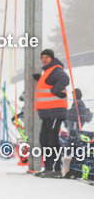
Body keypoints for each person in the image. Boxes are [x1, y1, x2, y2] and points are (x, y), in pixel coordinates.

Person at [34, 48, 70, 177]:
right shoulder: (48, 71)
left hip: (55, 111)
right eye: (42, 57)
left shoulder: (56, 69)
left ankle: (55, 170)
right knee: (44, 139)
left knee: (52, 139)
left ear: (52, 58)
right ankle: (48, 168)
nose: (44, 59)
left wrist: (56, 90)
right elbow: (47, 86)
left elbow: (65, 79)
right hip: (47, 112)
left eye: (47, 57)